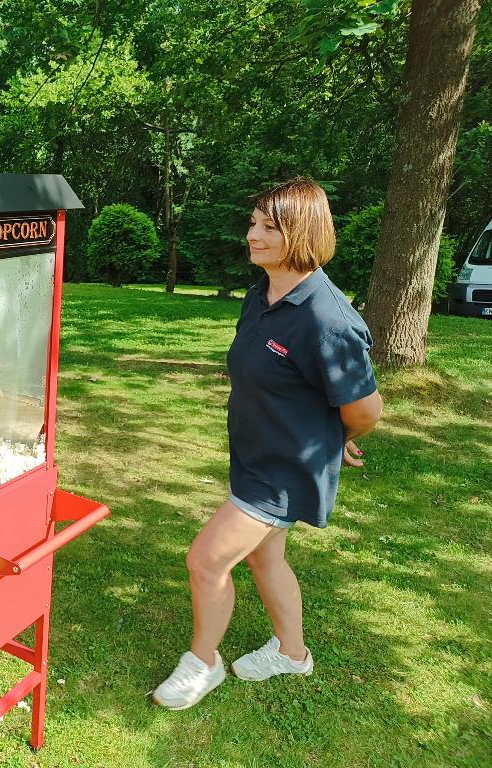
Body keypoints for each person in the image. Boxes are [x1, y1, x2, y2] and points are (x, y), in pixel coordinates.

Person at [151, 177, 384, 710]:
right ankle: (293, 652)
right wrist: (329, 434)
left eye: (267, 227)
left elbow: (366, 410)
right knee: (265, 560)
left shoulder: (327, 320)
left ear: (300, 233)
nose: (251, 235)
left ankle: (202, 664)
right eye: (253, 223)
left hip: (283, 470)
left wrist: (333, 439)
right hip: (256, 455)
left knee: (206, 561)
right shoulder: (263, 295)